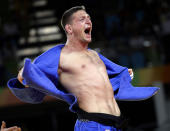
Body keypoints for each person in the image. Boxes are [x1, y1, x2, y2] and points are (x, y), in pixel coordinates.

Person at [7, 6, 159, 131]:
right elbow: (30, 73)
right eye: (82, 19)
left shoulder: (94, 55)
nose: (88, 21)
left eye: (89, 18)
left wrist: (123, 76)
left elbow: (107, 77)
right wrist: (24, 75)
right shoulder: (60, 55)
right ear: (69, 28)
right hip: (93, 125)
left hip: (115, 124)